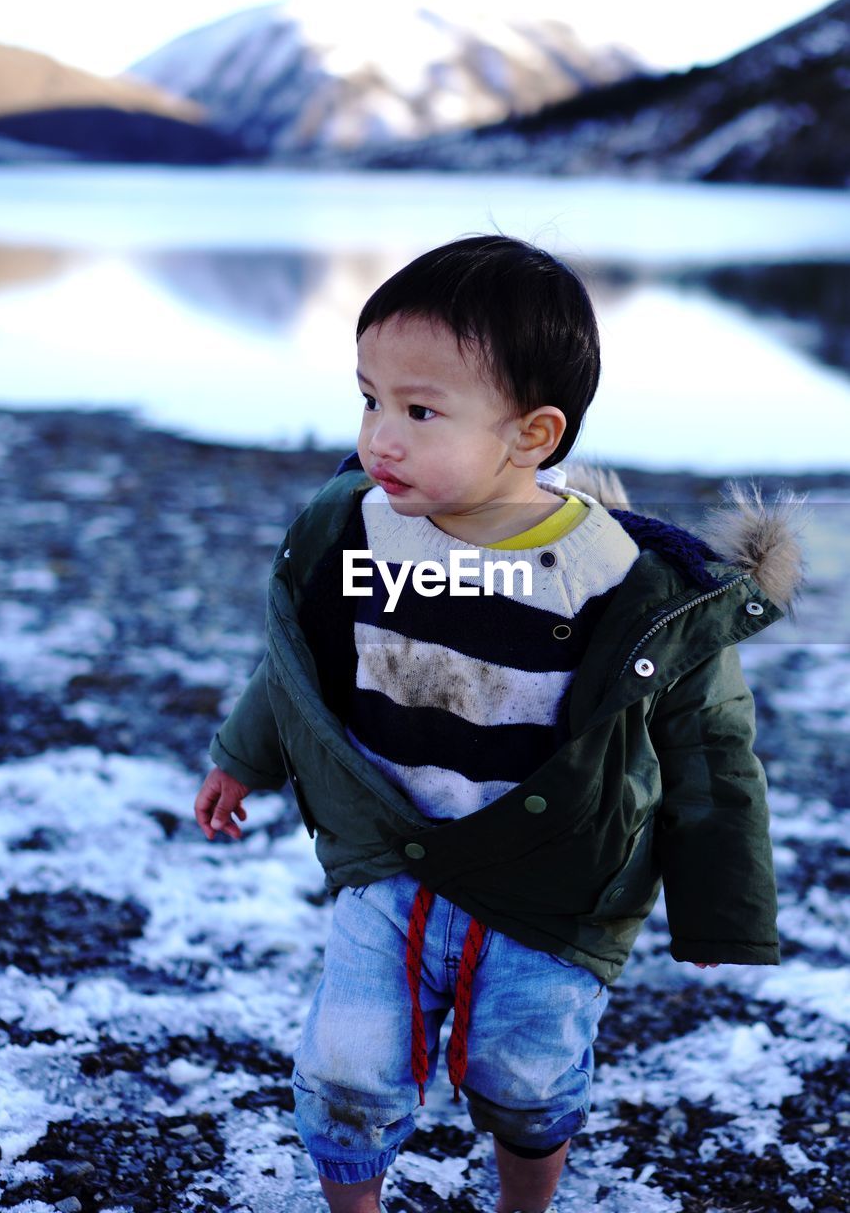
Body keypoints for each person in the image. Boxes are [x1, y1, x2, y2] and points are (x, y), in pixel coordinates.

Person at [194, 235, 806, 1213]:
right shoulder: (366, 532)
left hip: (547, 886)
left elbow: (709, 747)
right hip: (388, 858)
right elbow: (309, 665)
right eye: (370, 399)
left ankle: (526, 1200)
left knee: (522, 1078)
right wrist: (241, 756)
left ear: (531, 434)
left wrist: (720, 905)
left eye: (419, 410)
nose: (376, 438)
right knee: (348, 1065)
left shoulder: (617, 584)